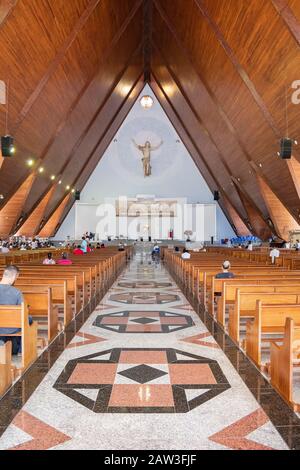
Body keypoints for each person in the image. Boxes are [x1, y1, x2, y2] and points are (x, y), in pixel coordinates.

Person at [0, 265, 33, 355]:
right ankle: (20, 351)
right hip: (10, 329)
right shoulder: (16, 292)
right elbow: (23, 314)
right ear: (15, 276)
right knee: (28, 319)